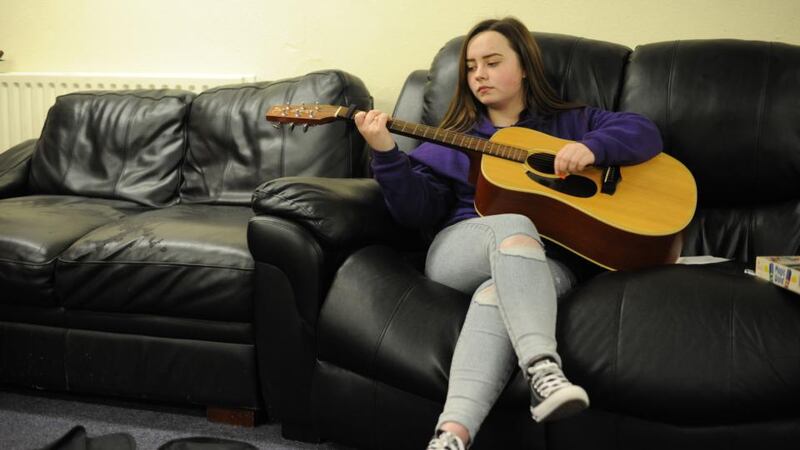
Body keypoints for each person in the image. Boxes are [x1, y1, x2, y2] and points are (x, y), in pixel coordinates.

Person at [354, 17, 662, 450]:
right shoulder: (452, 138)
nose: (479, 73)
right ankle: (543, 372)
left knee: (495, 296)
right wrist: (385, 154)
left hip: (545, 264)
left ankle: (450, 435)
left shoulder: (570, 122)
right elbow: (414, 212)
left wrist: (593, 148)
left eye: (492, 62)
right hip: (459, 249)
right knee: (516, 224)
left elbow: (643, 131)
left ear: (523, 68)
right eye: (471, 66)